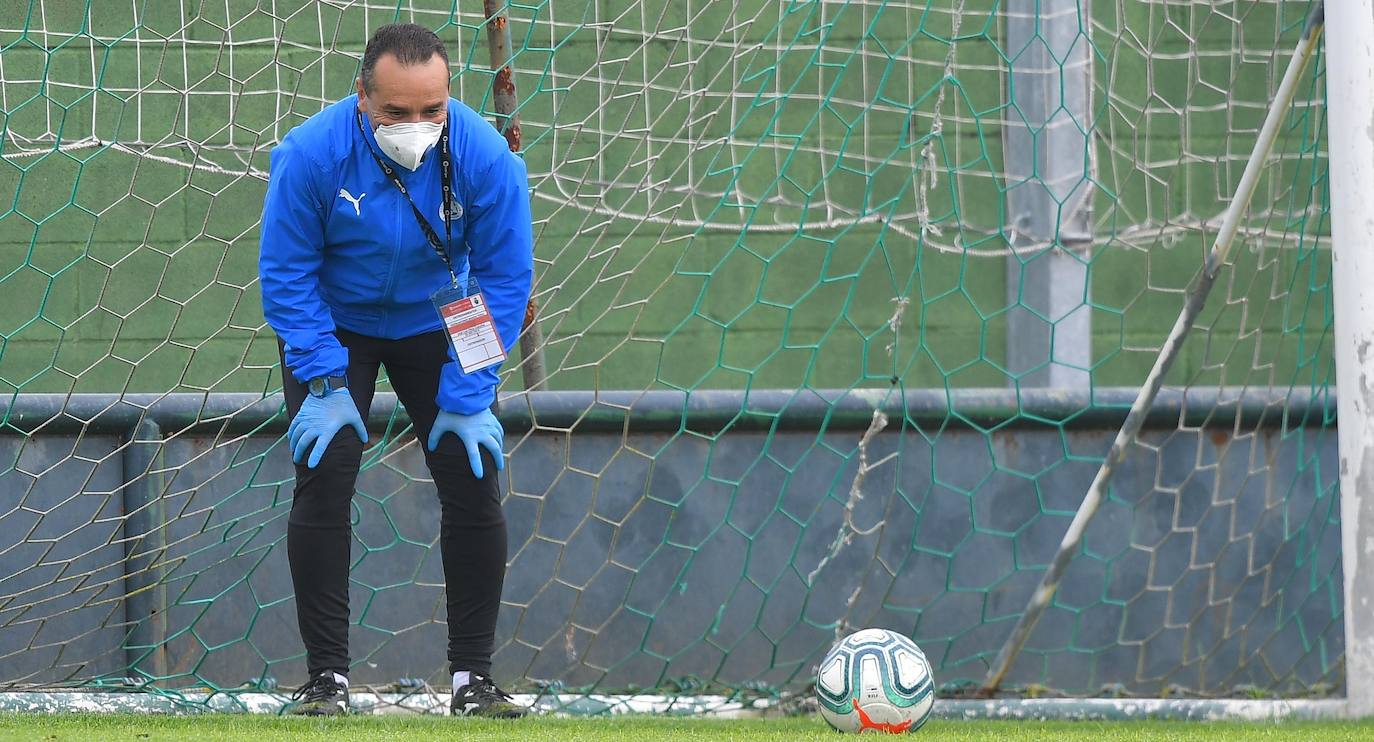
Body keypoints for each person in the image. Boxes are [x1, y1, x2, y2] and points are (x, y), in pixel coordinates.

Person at [258, 22, 532, 718]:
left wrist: (471, 394)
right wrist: (324, 381)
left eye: (431, 110)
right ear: (361, 96)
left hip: (437, 320)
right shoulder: (309, 154)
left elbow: (505, 277)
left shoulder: (486, 157)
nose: (417, 125)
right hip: (336, 325)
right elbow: (287, 273)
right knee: (327, 470)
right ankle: (327, 682)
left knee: (472, 478)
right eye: (397, 112)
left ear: (448, 98)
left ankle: (473, 682)